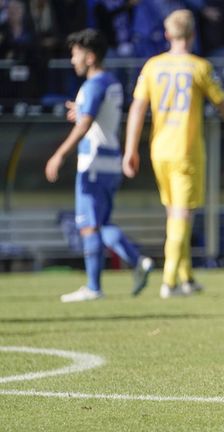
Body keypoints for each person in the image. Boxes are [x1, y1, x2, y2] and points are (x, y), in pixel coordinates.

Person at [123, 9, 224, 299]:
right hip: (186, 150)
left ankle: (187, 278)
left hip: (159, 150)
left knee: (175, 215)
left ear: (168, 35)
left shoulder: (152, 66)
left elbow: (137, 109)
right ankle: (168, 281)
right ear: (193, 35)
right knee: (182, 215)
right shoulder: (199, 67)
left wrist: (130, 148)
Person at [45, 29, 154, 302]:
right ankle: (137, 260)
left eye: (76, 54)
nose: (72, 60)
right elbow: (96, 115)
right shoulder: (111, 82)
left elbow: (85, 124)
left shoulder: (93, 85)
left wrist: (59, 154)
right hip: (110, 163)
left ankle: (94, 287)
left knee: (88, 226)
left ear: (90, 56)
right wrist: (81, 110)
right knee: (101, 223)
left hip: (92, 163)